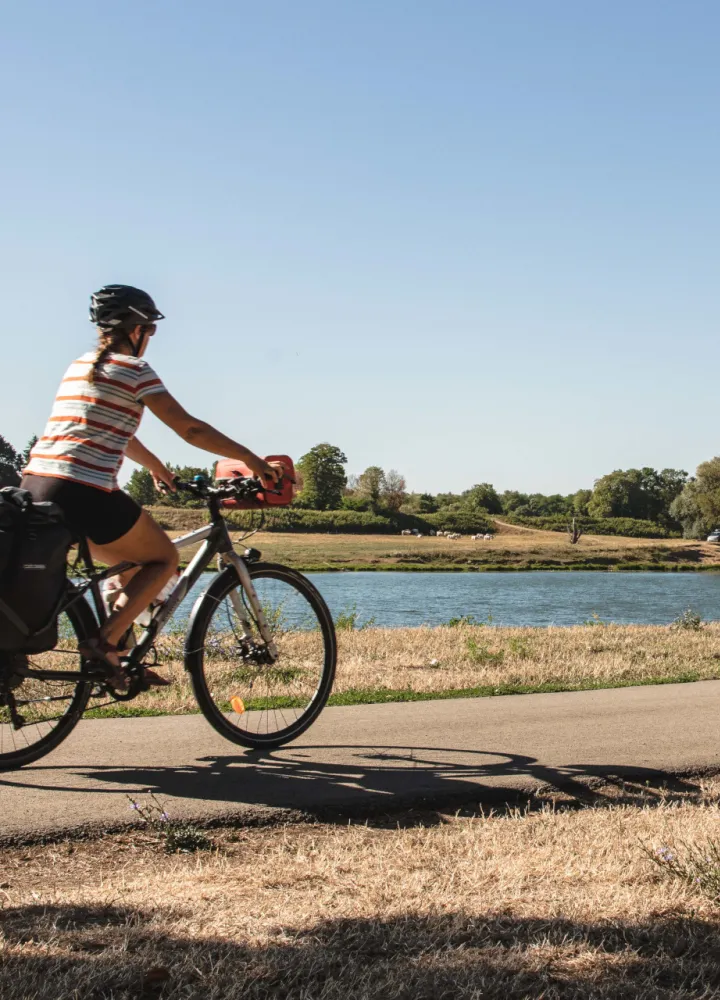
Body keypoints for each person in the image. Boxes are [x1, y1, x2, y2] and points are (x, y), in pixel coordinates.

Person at [21, 284, 280, 689]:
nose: (152, 339)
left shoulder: (79, 366)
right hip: (83, 490)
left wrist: (158, 468)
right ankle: (104, 643)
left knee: (129, 563)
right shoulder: (135, 371)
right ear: (137, 328)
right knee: (161, 559)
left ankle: (121, 659)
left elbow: (113, 430)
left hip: (34, 487)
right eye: (151, 330)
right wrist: (251, 459)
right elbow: (190, 428)